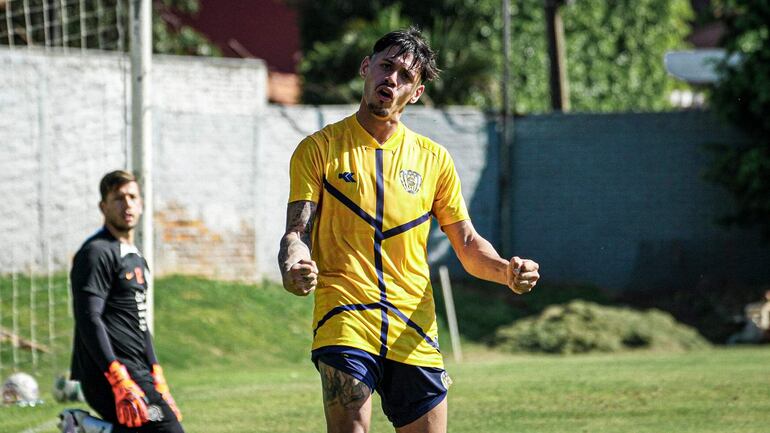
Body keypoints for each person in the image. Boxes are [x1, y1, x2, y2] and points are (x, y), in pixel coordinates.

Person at [278, 28, 540, 433]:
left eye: (404, 76)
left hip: (413, 326)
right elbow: (297, 231)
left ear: (415, 93)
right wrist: (294, 264)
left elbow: (467, 243)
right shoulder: (319, 148)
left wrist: (506, 271)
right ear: (367, 68)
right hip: (344, 316)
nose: (392, 80)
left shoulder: (434, 159)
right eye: (386, 67)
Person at [60, 170, 184, 433]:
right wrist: (116, 377)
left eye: (132, 197)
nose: (127, 204)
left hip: (138, 370)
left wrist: (157, 374)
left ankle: (91, 428)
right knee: (165, 428)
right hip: (109, 373)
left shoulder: (135, 256)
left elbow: (140, 322)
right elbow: (89, 319)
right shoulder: (95, 253)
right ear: (103, 206)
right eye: (118, 198)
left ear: (140, 204)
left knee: (151, 419)